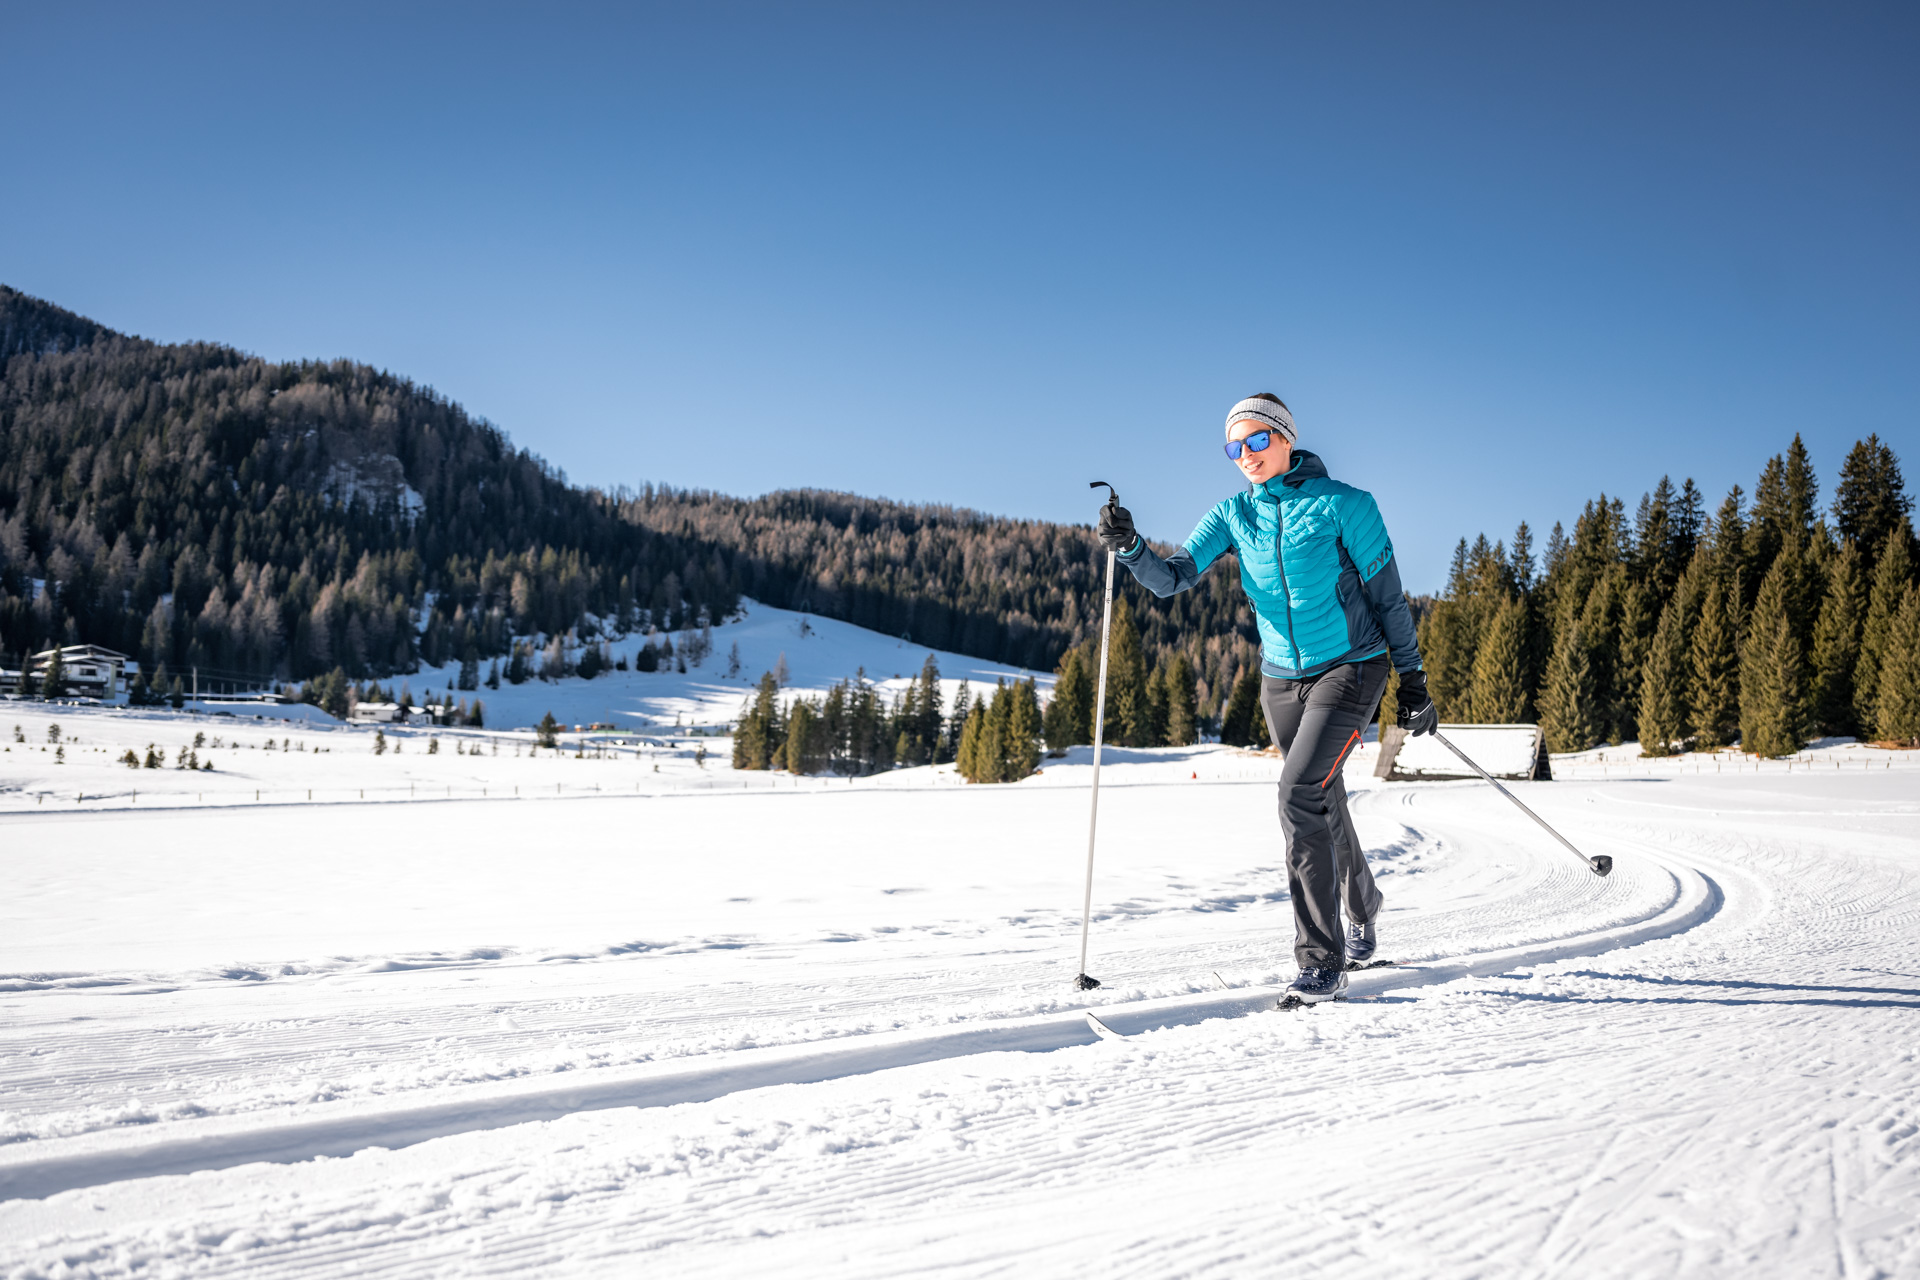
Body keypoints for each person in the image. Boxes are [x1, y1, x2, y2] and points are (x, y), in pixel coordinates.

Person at [1095, 393, 1435, 1004]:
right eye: (1235, 447)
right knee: (1319, 795)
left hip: (1352, 667)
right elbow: (1173, 579)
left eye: (1257, 441)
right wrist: (1131, 547)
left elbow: (1389, 601)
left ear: (1285, 439)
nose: (1246, 455)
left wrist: (1413, 683)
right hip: (1280, 679)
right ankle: (1364, 903)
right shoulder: (1232, 514)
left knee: (1299, 792)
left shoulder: (1346, 506)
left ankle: (1320, 960)